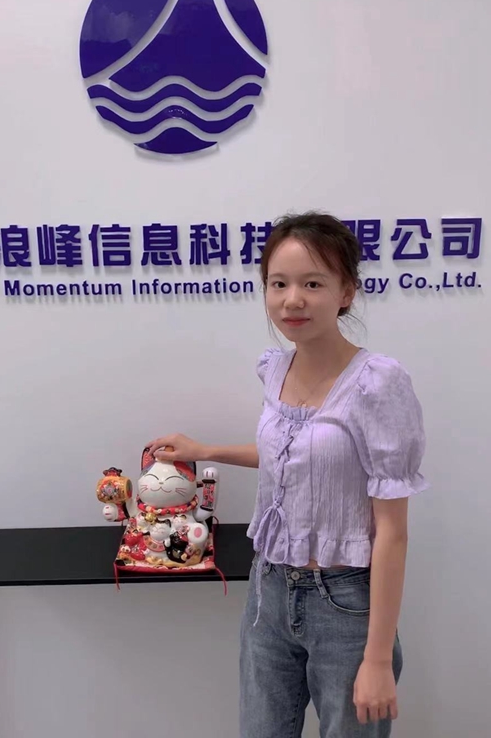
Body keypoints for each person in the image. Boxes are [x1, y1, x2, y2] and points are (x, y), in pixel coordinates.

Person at [145, 211, 428, 738]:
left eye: (312, 284)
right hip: (268, 589)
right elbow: (294, 457)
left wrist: (377, 658)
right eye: (278, 284)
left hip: (346, 603)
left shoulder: (378, 383)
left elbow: (393, 531)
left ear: (346, 292)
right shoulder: (275, 368)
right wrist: (205, 449)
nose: (291, 300)